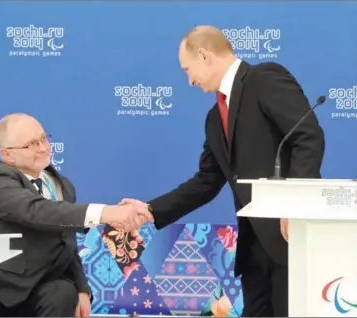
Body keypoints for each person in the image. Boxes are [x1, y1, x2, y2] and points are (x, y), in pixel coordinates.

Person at [119, 25, 325, 317]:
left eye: (187, 69)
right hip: (254, 249)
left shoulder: (264, 78)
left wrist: (295, 204)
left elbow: (308, 136)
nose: (189, 81)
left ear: (203, 55)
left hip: (290, 239)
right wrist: (151, 209)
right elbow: (206, 182)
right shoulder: (215, 118)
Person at [0, 113, 153, 317]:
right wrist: (108, 213)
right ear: (7, 155)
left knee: (62, 291)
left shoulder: (61, 185)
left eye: (43, 138)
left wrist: (82, 288)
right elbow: (37, 211)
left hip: (39, 287)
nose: (43, 148)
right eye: (31, 144)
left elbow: (66, 242)